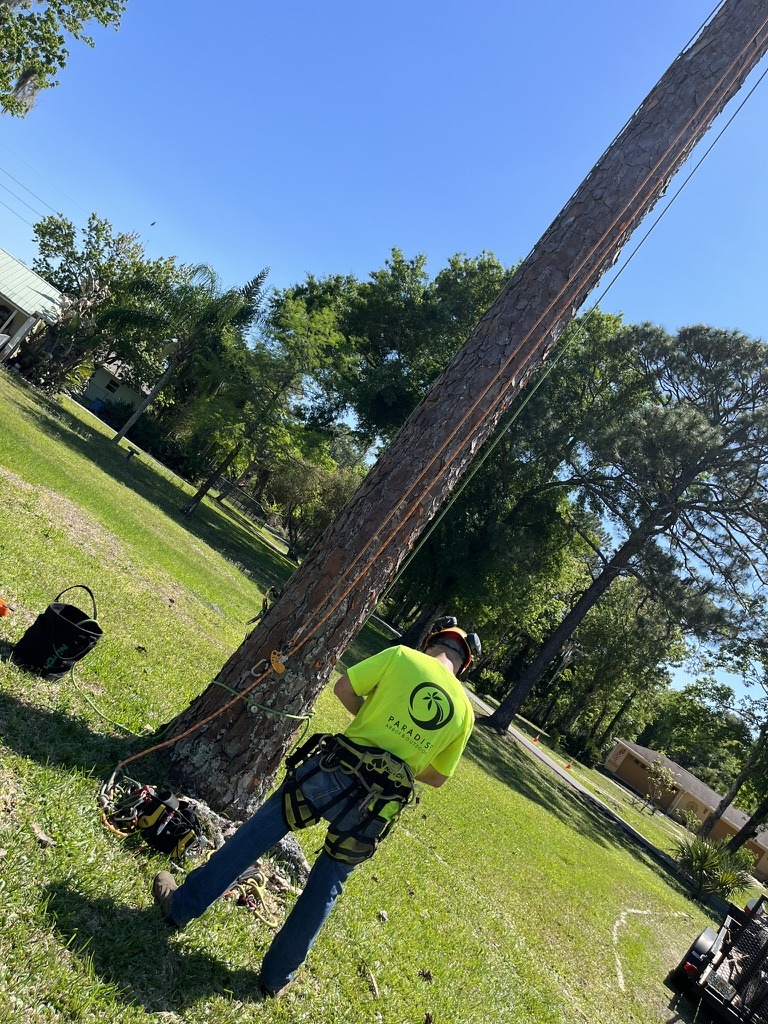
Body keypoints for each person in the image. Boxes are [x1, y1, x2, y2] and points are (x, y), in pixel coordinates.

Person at [152, 616, 480, 998]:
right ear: (464, 664)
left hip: (334, 770)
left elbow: (344, 689)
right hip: (379, 804)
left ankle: (183, 905)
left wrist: (372, 722)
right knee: (329, 882)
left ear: (433, 642)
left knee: (260, 833)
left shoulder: (403, 656)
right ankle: (276, 978)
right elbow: (438, 777)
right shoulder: (464, 712)